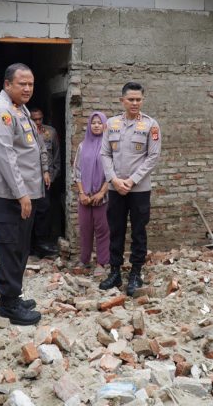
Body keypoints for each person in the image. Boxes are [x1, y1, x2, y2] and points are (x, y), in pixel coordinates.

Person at [0, 63, 49, 325]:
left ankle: (10, 295)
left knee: (20, 247)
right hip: (7, 195)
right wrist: (21, 194)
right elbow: (6, 157)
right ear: (7, 84)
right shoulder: (1, 112)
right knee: (10, 247)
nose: (27, 88)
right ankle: (9, 304)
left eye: (31, 83)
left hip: (22, 193)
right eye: (22, 83)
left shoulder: (18, 109)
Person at [99, 82, 161, 296]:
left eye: (138, 99)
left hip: (139, 190)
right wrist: (114, 180)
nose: (135, 103)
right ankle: (115, 272)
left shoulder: (151, 125)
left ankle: (135, 272)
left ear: (143, 100)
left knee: (138, 232)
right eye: (131, 99)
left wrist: (132, 181)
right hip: (116, 189)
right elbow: (104, 154)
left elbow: (153, 157)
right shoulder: (111, 124)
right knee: (115, 230)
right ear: (122, 101)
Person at [73, 111, 111, 269]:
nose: (96, 125)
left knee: (103, 230)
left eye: (99, 123)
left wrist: (102, 192)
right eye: (93, 123)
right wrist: (81, 193)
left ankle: (102, 262)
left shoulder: (109, 146)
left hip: (102, 197)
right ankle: (84, 260)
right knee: (85, 229)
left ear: (105, 125)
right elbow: (77, 171)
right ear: (89, 125)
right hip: (85, 197)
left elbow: (112, 172)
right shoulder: (82, 146)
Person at [30, 107, 61, 258]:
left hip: (45, 182)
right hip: (28, 181)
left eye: (39, 119)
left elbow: (56, 158)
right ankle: (30, 246)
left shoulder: (51, 132)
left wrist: (52, 177)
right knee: (29, 213)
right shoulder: (24, 132)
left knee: (44, 212)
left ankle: (42, 245)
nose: (37, 122)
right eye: (34, 119)